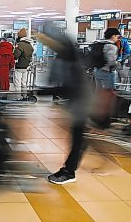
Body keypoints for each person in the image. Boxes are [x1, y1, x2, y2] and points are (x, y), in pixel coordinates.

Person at [37, 27, 91, 184]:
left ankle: (69, 171)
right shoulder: (67, 54)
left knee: (77, 136)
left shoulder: (68, 58)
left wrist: (43, 92)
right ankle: (78, 151)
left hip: (82, 101)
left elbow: (68, 88)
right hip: (79, 99)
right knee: (77, 135)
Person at [92, 27, 120, 128]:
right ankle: (104, 120)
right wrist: (118, 65)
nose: (118, 38)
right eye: (117, 36)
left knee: (99, 94)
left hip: (97, 71)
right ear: (113, 36)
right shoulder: (111, 46)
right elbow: (111, 62)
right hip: (107, 72)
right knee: (107, 96)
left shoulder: (98, 43)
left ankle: (96, 116)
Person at [13, 28, 34, 100]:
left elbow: (16, 56)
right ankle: (25, 96)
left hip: (19, 66)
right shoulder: (30, 45)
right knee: (24, 82)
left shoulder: (20, 45)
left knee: (17, 82)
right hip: (26, 66)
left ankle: (18, 97)